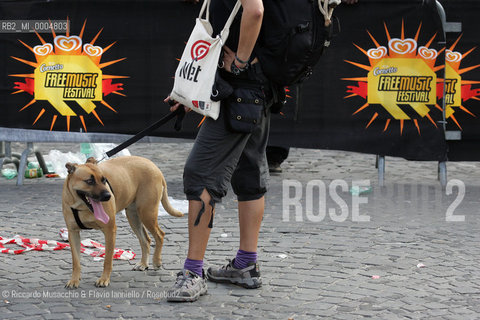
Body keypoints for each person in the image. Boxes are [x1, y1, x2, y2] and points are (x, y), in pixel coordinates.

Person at [165, 0, 271, 302]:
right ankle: (246, 265)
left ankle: (192, 272)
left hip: (241, 88)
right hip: (255, 87)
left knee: (200, 174)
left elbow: (255, 11)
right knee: (249, 171)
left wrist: (239, 63)